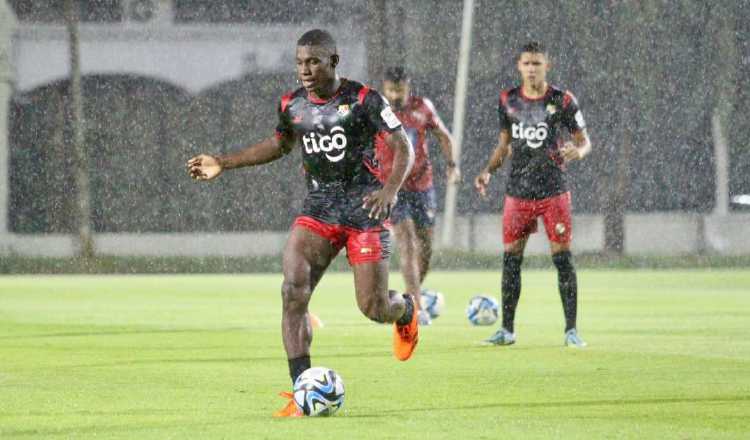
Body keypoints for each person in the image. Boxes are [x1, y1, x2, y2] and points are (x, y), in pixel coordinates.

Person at [187, 29, 418, 417]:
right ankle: (302, 390)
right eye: (300, 62)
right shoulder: (291, 105)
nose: (305, 69)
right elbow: (279, 144)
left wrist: (390, 190)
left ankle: (406, 310)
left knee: (374, 307)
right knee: (293, 292)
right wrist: (224, 163)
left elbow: (403, 146)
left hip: (364, 209)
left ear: (333, 61)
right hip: (319, 209)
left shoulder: (364, 99)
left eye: (314, 61)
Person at [473, 41, 591, 348]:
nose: (532, 68)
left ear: (546, 66)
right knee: (511, 259)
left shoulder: (562, 101)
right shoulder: (508, 100)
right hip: (519, 191)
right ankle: (507, 331)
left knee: (562, 259)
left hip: (553, 190)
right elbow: (504, 144)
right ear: (519, 66)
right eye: (527, 63)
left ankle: (571, 331)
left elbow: (584, 141)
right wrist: (488, 171)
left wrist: (578, 152)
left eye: (537, 63)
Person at [380, 67, 460, 326]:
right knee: (407, 242)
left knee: (426, 248)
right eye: (390, 90)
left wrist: (451, 165)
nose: (395, 95)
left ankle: (412, 296)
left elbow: (444, 137)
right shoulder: (378, 111)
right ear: (384, 88)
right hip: (393, 186)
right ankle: (416, 306)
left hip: (422, 184)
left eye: (399, 89)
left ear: (408, 87)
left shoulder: (422, 108)